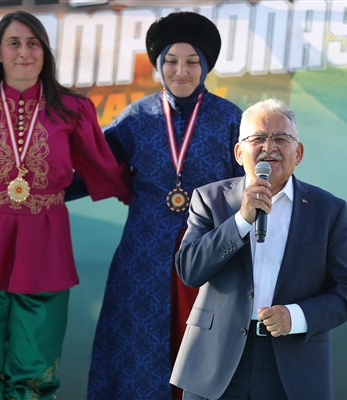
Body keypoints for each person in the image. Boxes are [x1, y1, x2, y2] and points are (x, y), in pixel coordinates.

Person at [0, 11, 131, 399]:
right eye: (14, 43)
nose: (24, 52)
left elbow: (106, 170)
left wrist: (154, 189)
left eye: (33, 43)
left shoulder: (71, 108)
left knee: (35, 371)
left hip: (44, 241)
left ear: (45, 52)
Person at [86, 12, 244, 399]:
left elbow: (253, 185)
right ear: (158, 64)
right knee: (136, 356)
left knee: (205, 358)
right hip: (142, 259)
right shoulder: (136, 118)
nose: (181, 72)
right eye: (171, 61)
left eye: (192, 62)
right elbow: (92, 166)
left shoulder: (230, 119)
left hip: (210, 255)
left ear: (205, 66)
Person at [170, 98, 347, 399]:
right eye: (258, 138)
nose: (269, 147)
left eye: (281, 138)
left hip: (292, 365)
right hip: (215, 362)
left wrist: (295, 317)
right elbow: (190, 270)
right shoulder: (209, 200)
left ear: (298, 153)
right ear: (239, 152)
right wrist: (241, 220)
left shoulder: (328, 210)